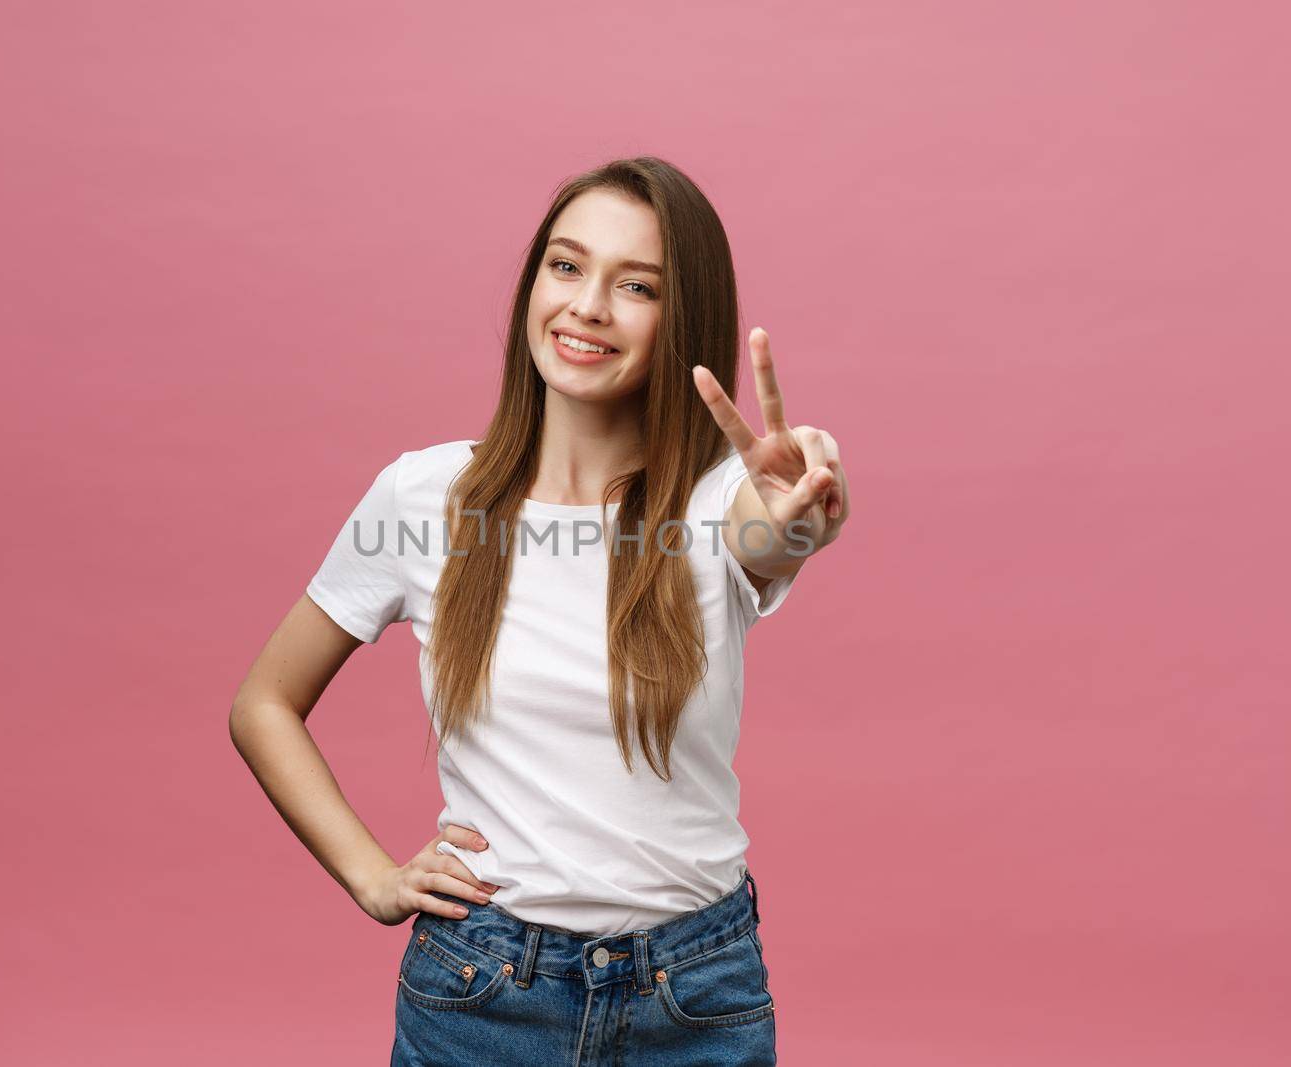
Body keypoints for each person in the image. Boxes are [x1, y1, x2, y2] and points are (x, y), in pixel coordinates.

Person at [229, 156, 848, 1066]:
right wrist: (373, 877)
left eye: (635, 285)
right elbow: (263, 704)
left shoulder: (720, 499)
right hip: (483, 993)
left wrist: (797, 512)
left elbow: (768, 534)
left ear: (684, 319)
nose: (588, 305)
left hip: (695, 993)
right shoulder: (425, 494)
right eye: (566, 266)